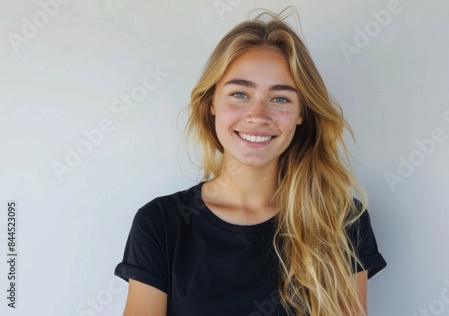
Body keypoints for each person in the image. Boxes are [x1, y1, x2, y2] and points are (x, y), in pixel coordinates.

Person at [114, 8, 386, 316]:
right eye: (240, 94)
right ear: (212, 103)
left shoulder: (341, 220)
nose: (258, 115)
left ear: (301, 114)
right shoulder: (160, 224)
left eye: (280, 98)